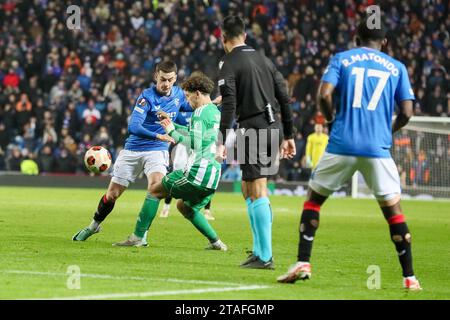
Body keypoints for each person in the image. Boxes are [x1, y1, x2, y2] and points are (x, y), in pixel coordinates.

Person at [277, 16, 421, 290]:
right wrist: (387, 131)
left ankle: (303, 262)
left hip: (342, 143)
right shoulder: (398, 67)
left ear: (356, 38)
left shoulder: (342, 59)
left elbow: (324, 95)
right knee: (394, 212)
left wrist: (332, 122)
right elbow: (407, 112)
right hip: (377, 148)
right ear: (385, 42)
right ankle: (410, 277)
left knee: (314, 201)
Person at [72, 61, 191, 245]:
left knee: (156, 188)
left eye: (169, 80)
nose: (166, 84)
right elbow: (133, 126)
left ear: (175, 79)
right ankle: (93, 226)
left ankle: (141, 236)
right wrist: (159, 135)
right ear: (155, 77)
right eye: (162, 79)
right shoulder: (147, 97)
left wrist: (215, 103)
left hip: (157, 151)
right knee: (112, 195)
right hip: (133, 149)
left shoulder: (178, 95)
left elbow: (192, 106)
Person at [216, 16, 296, 269]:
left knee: (257, 188)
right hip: (268, 127)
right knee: (248, 188)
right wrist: (289, 135)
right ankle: (259, 250)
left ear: (223, 37)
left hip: (254, 127)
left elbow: (229, 102)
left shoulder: (229, 62)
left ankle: (265, 256)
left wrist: (220, 137)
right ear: (245, 36)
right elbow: (284, 97)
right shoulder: (265, 60)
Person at [144, 72, 227, 250]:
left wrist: (172, 132)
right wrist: (171, 124)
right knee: (184, 206)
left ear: (197, 93)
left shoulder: (198, 113)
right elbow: (192, 132)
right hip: (213, 176)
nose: (188, 102)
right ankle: (217, 243)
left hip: (198, 173)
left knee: (154, 190)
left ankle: (137, 237)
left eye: (188, 97)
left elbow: (195, 144)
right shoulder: (214, 111)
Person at [159, 111, 216, 221]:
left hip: (198, 147)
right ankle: (166, 207)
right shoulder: (181, 114)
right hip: (182, 145)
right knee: (175, 175)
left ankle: (207, 211)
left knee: (203, 176)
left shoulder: (203, 112)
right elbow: (179, 129)